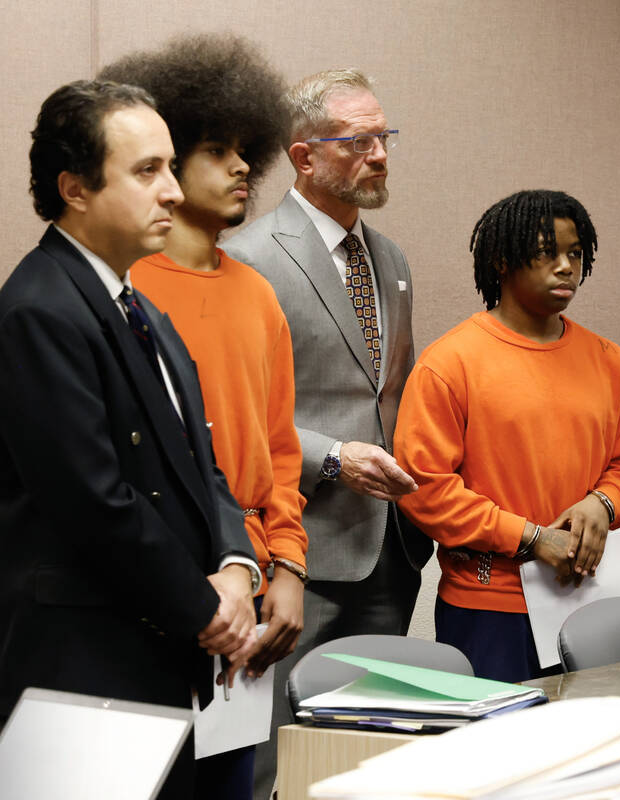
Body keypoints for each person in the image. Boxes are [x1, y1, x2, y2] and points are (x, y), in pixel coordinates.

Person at [0, 80, 261, 799]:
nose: (173, 192)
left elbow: (201, 466)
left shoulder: (139, 307)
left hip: (163, 652)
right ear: (75, 188)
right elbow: (95, 502)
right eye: (147, 171)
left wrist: (239, 568)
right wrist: (209, 610)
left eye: (171, 168)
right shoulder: (38, 311)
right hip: (85, 675)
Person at [98, 35, 305, 799]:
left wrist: (286, 567)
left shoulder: (258, 295)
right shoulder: (117, 294)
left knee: (230, 788)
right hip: (153, 601)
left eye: (248, 149)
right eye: (218, 150)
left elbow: (279, 451)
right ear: (169, 166)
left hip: (250, 593)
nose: (244, 167)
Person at [222, 68, 431, 798]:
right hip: (298, 549)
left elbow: (392, 394)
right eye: (359, 140)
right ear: (305, 156)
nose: (379, 154)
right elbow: (239, 409)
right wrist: (334, 457)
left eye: (385, 137)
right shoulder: (249, 258)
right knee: (276, 759)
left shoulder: (394, 261)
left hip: (392, 551)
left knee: (367, 757)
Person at [395, 190, 620, 682]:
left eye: (575, 253)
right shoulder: (450, 363)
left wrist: (602, 504)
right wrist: (531, 539)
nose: (565, 267)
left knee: (597, 752)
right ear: (502, 261)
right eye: (545, 252)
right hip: (491, 606)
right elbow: (425, 489)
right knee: (501, 755)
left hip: (596, 599)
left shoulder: (609, 361)